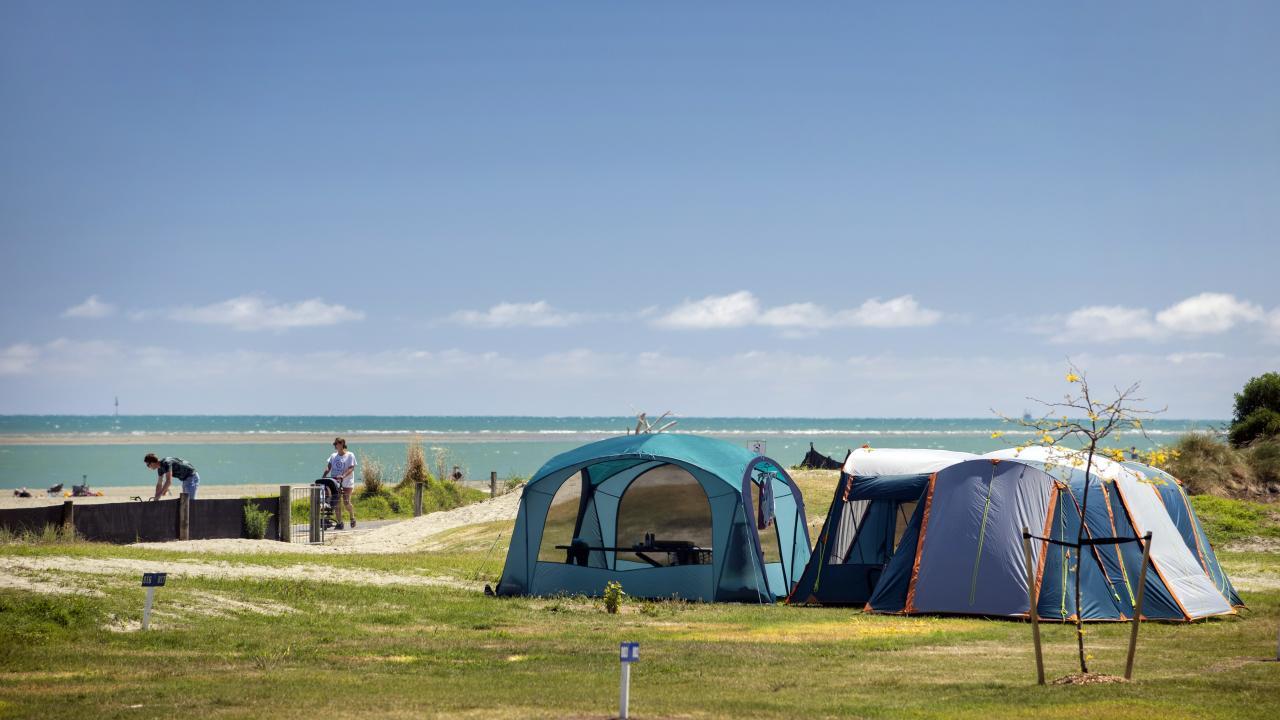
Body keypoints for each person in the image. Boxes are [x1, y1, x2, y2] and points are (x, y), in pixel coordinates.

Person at [324, 437, 357, 530]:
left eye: (337, 443)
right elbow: (328, 467)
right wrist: (324, 476)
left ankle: (352, 517)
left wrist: (343, 475)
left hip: (347, 482)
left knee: (346, 502)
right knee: (336, 503)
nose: (335, 445)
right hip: (335, 482)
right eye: (335, 444)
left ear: (342, 444)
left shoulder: (350, 455)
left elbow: (351, 468)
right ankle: (339, 523)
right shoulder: (333, 456)